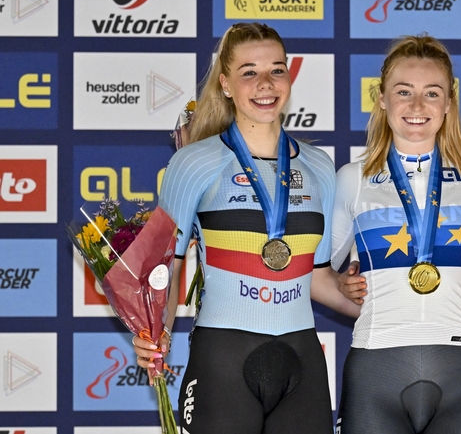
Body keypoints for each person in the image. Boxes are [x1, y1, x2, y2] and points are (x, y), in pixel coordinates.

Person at [132, 22, 359, 434]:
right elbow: (169, 268)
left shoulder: (319, 167)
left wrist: (392, 307)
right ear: (225, 84)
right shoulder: (194, 163)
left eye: (277, 69)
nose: (265, 83)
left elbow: (319, 278)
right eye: (249, 72)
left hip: (301, 355)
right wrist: (155, 333)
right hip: (223, 356)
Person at [330, 35, 461, 433]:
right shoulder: (352, 178)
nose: (417, 106)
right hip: (376, 365)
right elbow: (314, 271)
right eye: (403, 92)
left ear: (449, 102)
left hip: (458, 366)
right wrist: (340, 283)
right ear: (383, 99)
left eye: (432, 93)